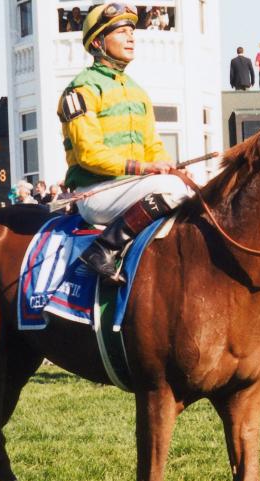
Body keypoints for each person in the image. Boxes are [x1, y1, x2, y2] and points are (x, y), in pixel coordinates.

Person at [61, 3, 188, 285]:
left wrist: (167, 166)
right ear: (98, 42)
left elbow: (152, 145)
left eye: (132, 31)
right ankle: (103, 249)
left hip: (131, 189)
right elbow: (88, 155)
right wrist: (147, 168)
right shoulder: (81, 89)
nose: (131, 37)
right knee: (173, 189)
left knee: (187, 186)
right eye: (121, 31)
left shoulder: (137, 91)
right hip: (96, 192)